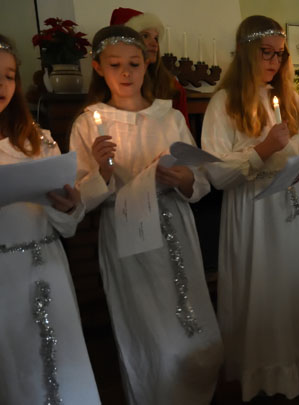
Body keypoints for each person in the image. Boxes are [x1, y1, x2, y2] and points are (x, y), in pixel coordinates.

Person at [69, 25, 222, 404]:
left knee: (192, 322)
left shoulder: (169, 117)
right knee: (149, 330)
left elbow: (199, 178)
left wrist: (183, 178)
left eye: (134, 64)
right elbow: (77, 198)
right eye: (115, 65)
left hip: (175, 226)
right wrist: (102, 172)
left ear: (147, 64)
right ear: (98, 67)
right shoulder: (88, 123)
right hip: (128, 233)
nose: (126, 73)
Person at [200, 16, 299, 401]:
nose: (275, 62)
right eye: (266, 53)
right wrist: (263, 149)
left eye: (280, 54)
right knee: (261, 289)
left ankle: (292, 365)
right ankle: (260, 375)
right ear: (245, 52)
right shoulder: (224, 102)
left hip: (292, 204)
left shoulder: (290, 97)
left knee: (293, 285)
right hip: (254, 210)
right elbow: (216, 173)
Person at [0, 34, 100, 405]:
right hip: (4, 279)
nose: (2, 85)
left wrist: (69, 206)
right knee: (20, 372)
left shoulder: (38, 142)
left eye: (9, 76)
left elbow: (68, 226)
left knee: (65, 365)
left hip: (47, 268)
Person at [110, 7, 190, 128]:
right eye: (145, 36)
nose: (154, 44)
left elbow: (183, 135)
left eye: (156, 38)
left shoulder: (171, 87)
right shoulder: (110, 85)